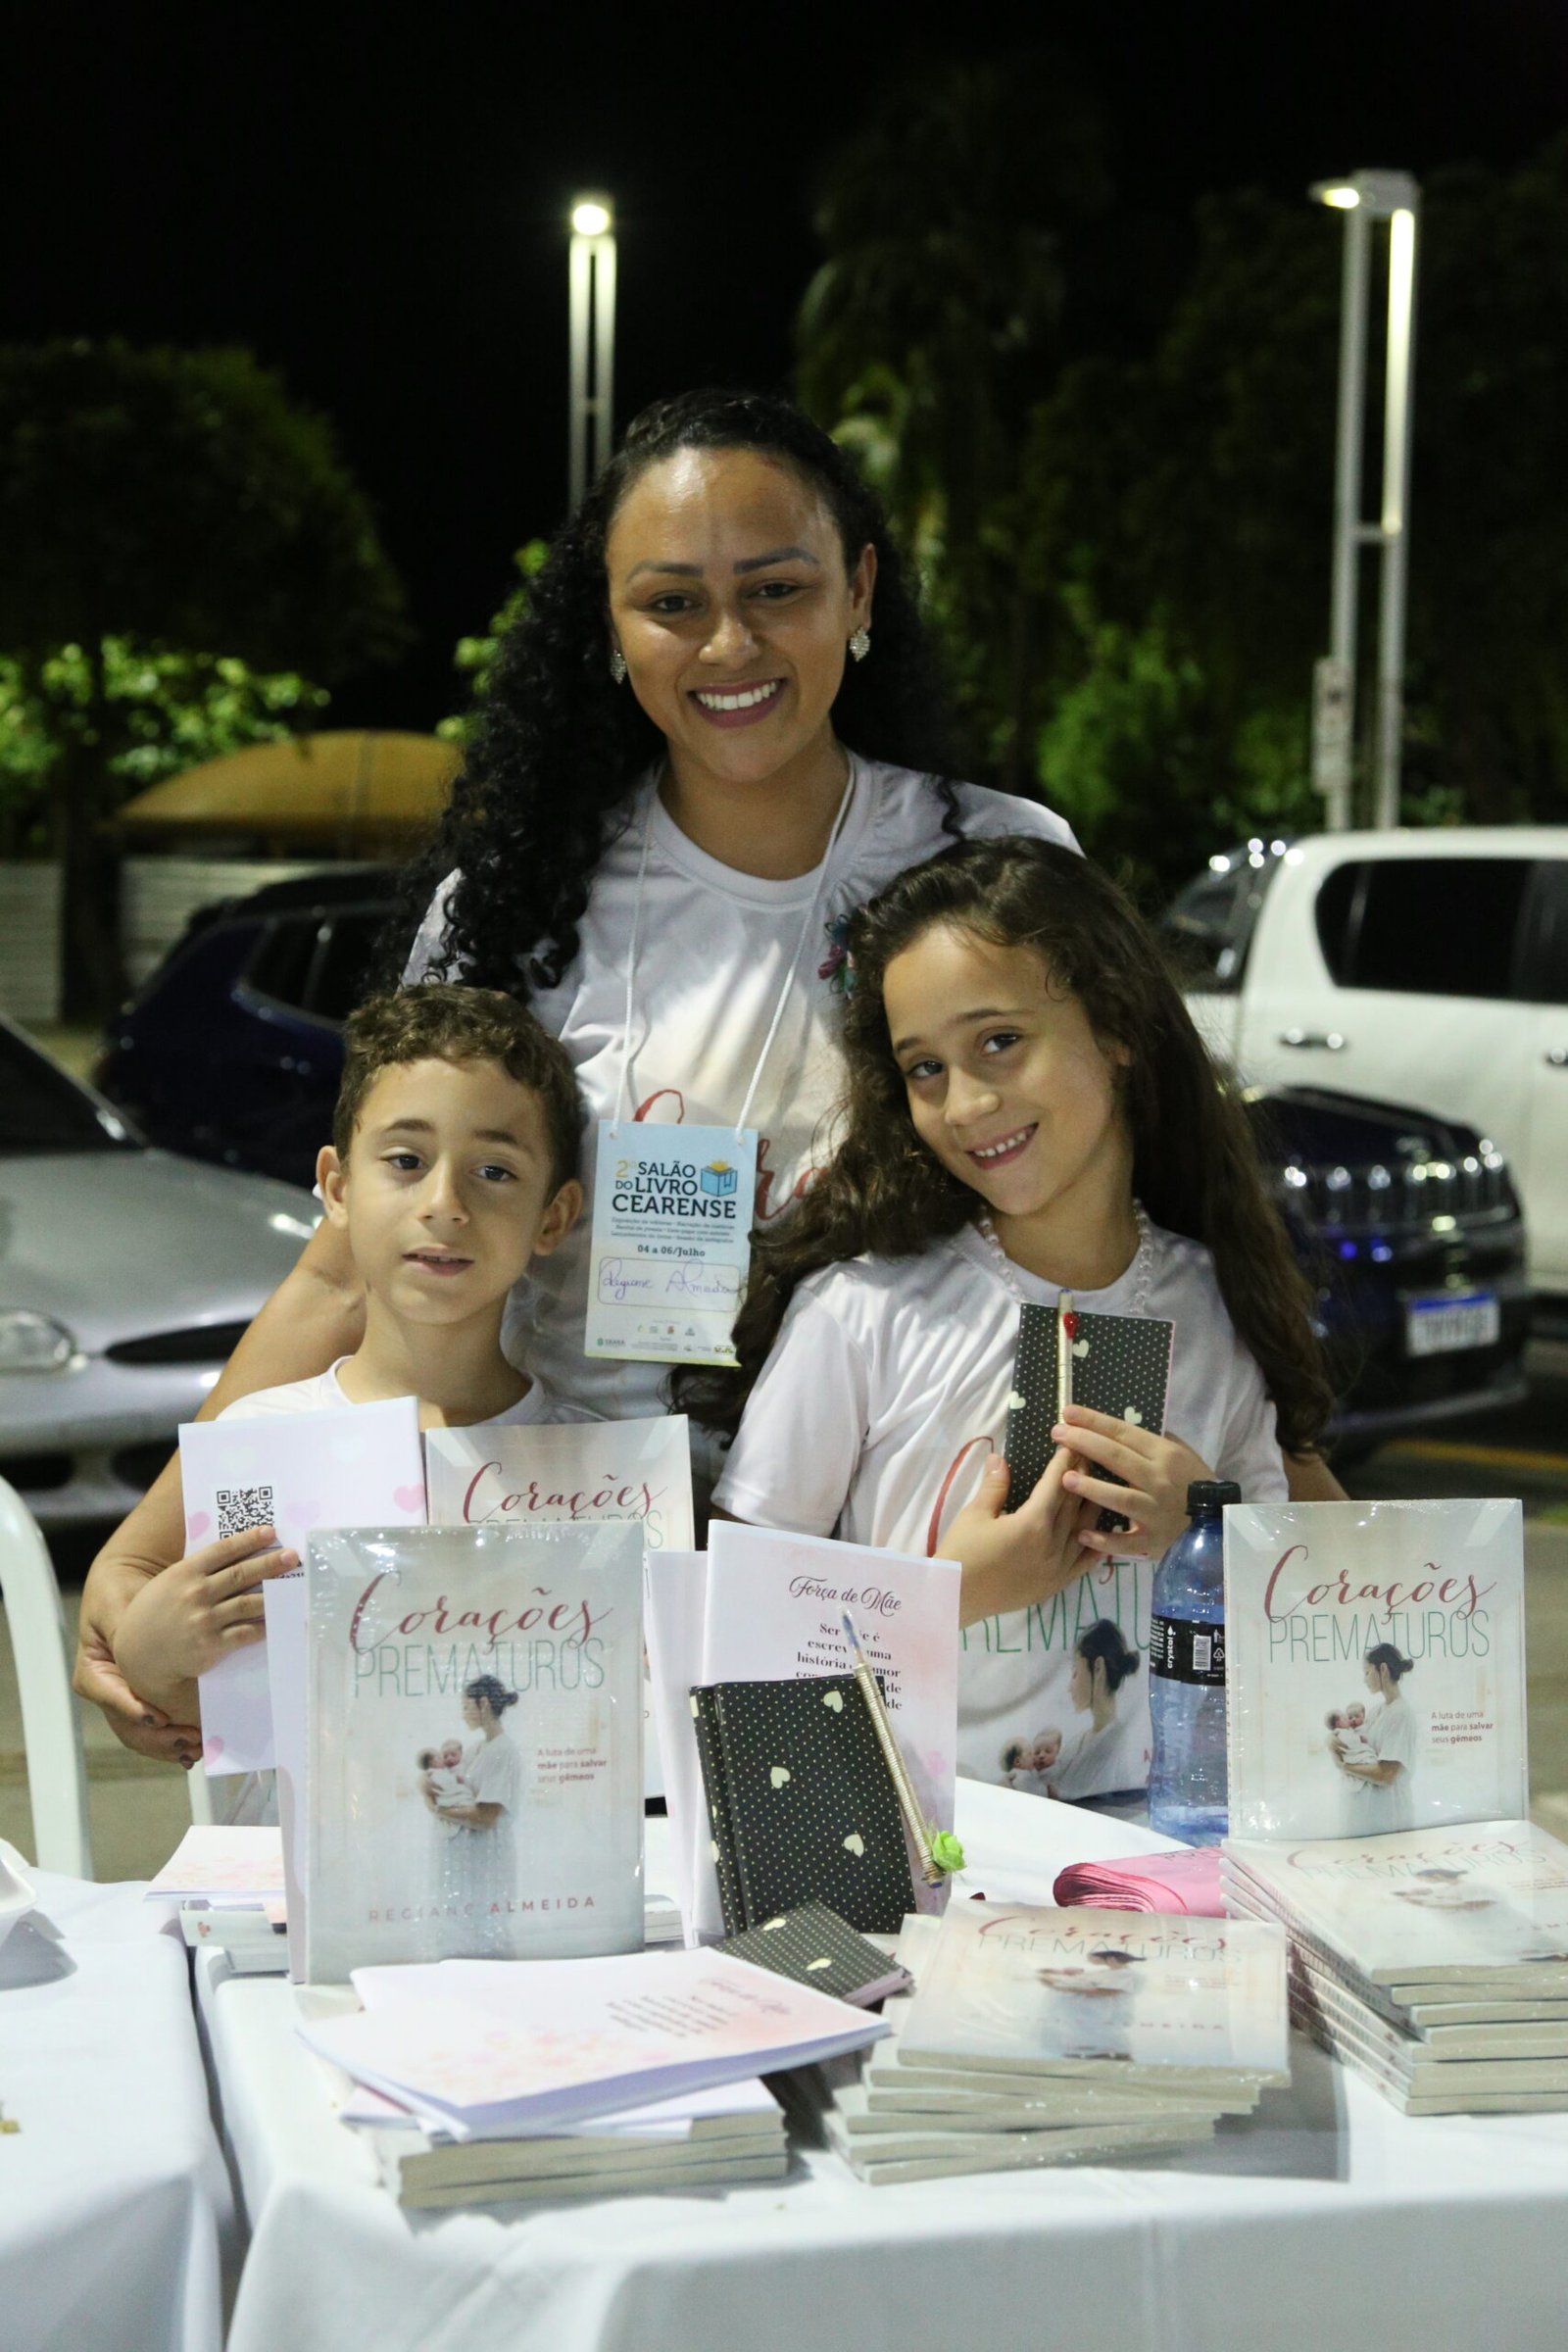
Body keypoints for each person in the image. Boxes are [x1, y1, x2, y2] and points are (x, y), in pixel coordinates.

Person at [74, 385, 1078, 1760]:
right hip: (566, 1592)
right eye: (671, 602)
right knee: (526, 1862)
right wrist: (142, 1553)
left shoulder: (996, 865)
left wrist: (1256, 1471)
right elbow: (354, 1260)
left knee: (888, 1896)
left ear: (858, 591)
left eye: (776, 588)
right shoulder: (518, 905)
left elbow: (1115, 1198)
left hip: (897, 1571)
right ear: (607, 627)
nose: (728, 643)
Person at [699, 836, 1331, 1805]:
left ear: (1115, 1025)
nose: (965, 1103)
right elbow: (734, 1628)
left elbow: (1297, 1618)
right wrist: (950, 1591)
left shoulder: (1215, 1305)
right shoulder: (860, 1314)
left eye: (999, 1041)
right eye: (924, 1067)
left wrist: (1202, 1527)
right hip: (906, 1851)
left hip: (1153, 1855)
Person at [108, 984, 589, 1751]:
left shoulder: (594, 1468)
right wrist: (150, 1654)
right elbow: (227, 1717)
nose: (445, 1203)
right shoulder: (257, 1443)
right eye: (406, 1160)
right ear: (337, 1188)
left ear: (554, 1217)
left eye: (495, 1171)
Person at [427, 1675, 525, 1950]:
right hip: (468, 1862)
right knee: (462, 1933)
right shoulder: (475, 1749)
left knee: (486, 1934)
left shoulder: (503, 1751)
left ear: (483, 1703)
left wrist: (439, 1809)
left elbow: (486, 1817)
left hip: (488, 1860)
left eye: (466, 1706)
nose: (463, 1713)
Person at [1049, 1623, 1143, 1801]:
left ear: (1098, 1668)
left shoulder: (1117, 1746)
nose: (1069, 1687)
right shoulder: (1078, 1743)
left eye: (1075, 1672)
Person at [1338, 1642, 1419, 1833]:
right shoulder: (1376, 1712)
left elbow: (1386, 1774)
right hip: (1370, 1813)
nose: (1364, 1679)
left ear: (1382, 1669)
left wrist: (1344, 1766)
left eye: (1367, 1672)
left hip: (1391, 1814)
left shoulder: (1401, 1713)